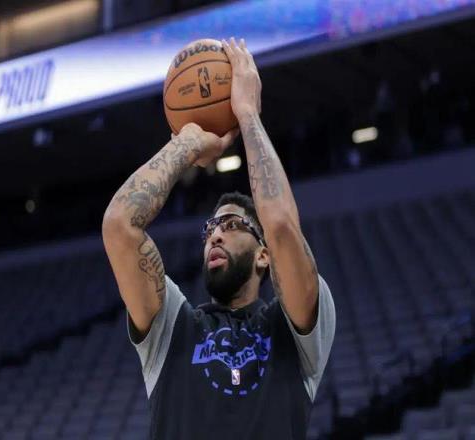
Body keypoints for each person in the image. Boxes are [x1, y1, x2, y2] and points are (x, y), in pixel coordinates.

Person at [102, 38, 336, 440]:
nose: (215, 235)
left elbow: (280, 227)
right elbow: (119, 225)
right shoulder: (172, 328)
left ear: (263, 256)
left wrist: (247, 116)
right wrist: (187, 142)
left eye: (230, 225)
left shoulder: (294, 331)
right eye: (209, 229)